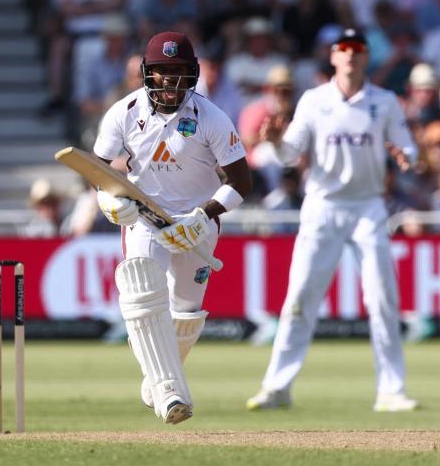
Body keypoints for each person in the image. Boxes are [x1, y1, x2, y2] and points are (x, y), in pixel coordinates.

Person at [246, 28, 420, 413]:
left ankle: (390, 390)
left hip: (369, 206)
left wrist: (406, 157)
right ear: (333, 56)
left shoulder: (385, 101)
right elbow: (291, 153)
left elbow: (408, 146)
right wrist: (274, 141)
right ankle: (277, 387)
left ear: (366, 56)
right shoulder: (313, 100)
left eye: (358, 50)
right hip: (323, 206)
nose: (351, 56)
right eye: (345, 50)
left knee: (382, 298)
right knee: (300, 297)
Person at [93, 31, 252, 425]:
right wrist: (109, 200)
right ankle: (170, 394)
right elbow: (96, 168)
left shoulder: (211, 117)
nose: (170, 80)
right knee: (141, 291)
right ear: (148, 73)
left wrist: (204, 214)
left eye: (178, 71)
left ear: (192, 73)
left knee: (185, 313)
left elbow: (241, 181)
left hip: (196, 223)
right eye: (162, 71)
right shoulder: (124, 112)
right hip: (146, 217)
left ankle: (156, 376)